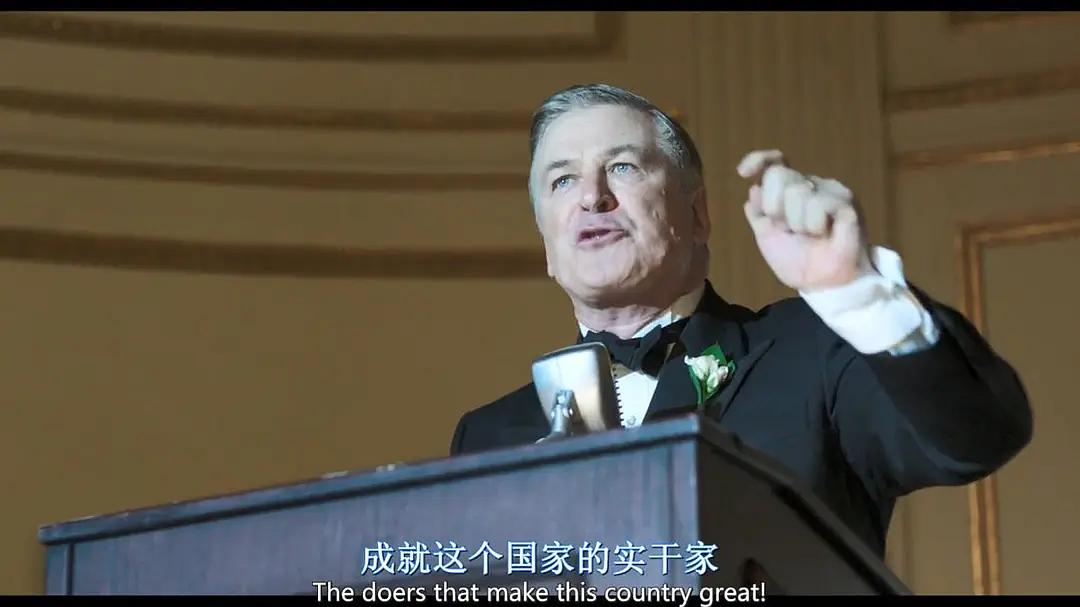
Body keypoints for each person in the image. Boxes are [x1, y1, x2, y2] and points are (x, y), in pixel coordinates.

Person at [448, 83, 1032, 557]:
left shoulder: (815, 349)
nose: (591, 196)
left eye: (622, 167)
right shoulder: (490, 436)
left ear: (698, 214)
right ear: (547, 244)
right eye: (562, 180)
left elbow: (977, 438)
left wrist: (856, 290)